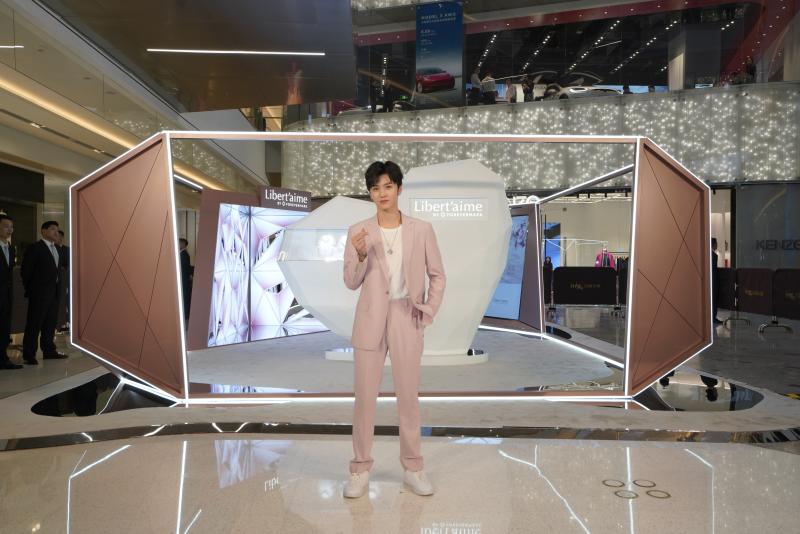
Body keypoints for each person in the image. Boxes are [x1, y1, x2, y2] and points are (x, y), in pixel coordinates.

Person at [342, 161, 446, 499]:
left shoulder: (422, 229)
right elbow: (350, 281)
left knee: (408, 398)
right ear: (370, 193)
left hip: (406, 316)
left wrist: (427, 311)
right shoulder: (358, 231)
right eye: (375, 188)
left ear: (399, 188)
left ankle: (413, 468)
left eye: (387, 186)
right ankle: (359, 470)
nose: (382, 193)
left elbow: (437, 275)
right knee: (364, 400)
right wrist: (360, 255)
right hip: (370, 320)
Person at [21, 221, 68, 365]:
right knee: (34, 324)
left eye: (57, 229)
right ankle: (29, 354)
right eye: (52, 229)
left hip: (54, 293)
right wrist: (33, 290)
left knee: (50, 324)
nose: (56, 232)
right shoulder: (35, 248)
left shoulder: (57, 248)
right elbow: (26, 271)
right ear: (43, 231)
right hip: (39, 294)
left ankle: (49, 350)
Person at [0, 215, 21, 369]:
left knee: (4, 327)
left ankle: (3, 358)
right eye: (6, 226)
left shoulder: (10, 248)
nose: (10, 230)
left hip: (6, 296)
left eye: (12, 227)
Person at [179, 238, 194, 322]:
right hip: (184, 279)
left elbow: (186, 268)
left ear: (184, 244)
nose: (179, 244)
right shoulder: (182, 254)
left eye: (180, 242)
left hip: (184, 280)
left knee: (185, 297)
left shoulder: (184, 254)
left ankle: (186, 314)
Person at [712, 237, 722, 325]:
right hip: (713, 282)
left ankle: (711, 317)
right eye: (716, 243)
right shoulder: (714, 256)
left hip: (709, 281)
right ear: (714, 244)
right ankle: (713, 318)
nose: (717, 245)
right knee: (714, 299)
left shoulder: (707, 255)